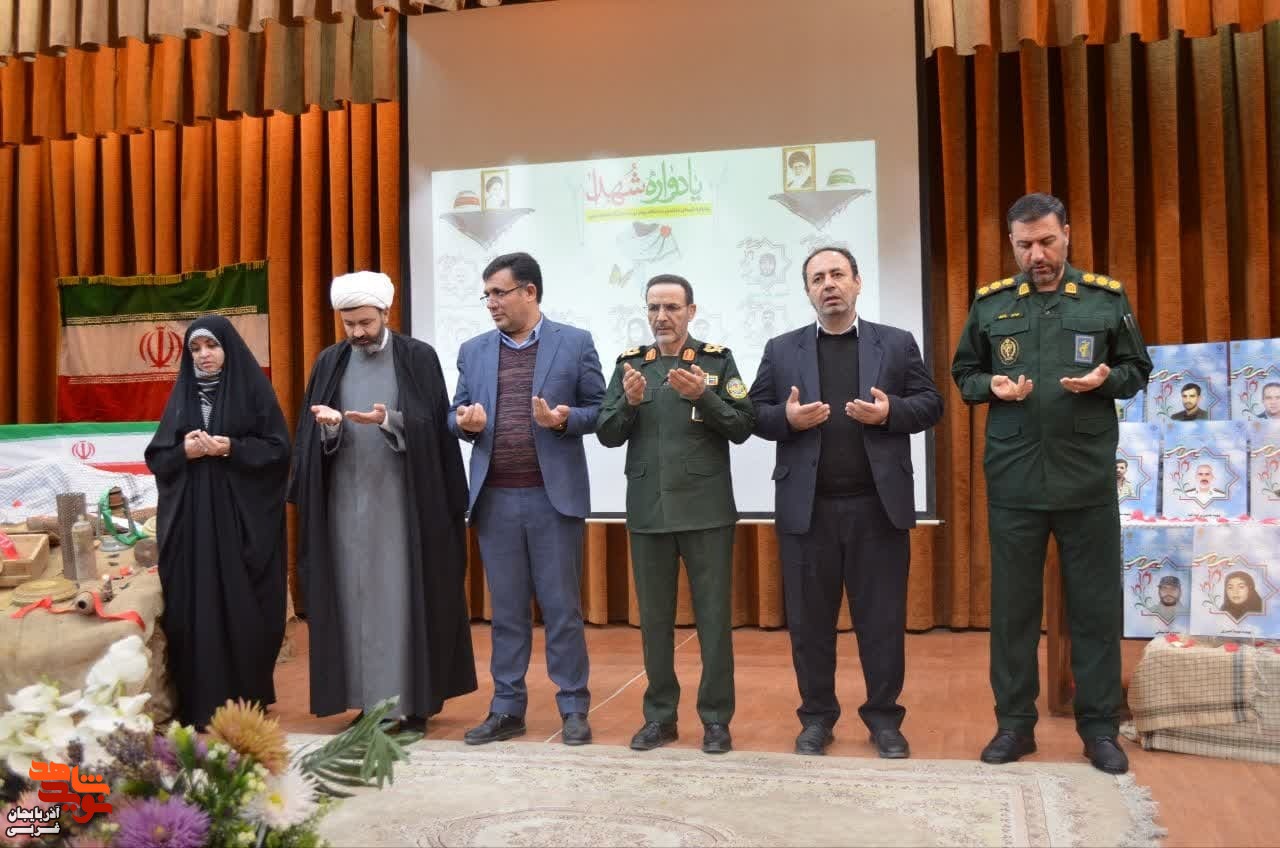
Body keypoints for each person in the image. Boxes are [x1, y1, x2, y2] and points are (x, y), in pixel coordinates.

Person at [951, 192, 1153, 775]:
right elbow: (965, 373)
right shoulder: (991, 304)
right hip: (1014, 480)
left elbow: (1137, 368)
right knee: (1013, 611)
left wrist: (1105, 378)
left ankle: (1099, 729)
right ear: (1011, 245)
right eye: (1024, 245)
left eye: (1045, 241)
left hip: (1085, 479)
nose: (1036, 255)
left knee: (1095, 609)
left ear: (1067, 234)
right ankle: (1015, 726)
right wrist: (992, 387)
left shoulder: (1104, 297)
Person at [748, 246, 942, 759]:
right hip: (807, 511)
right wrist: (786, 420)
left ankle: (884, 720)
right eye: (817, 278)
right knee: (810, 625)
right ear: (807, 291)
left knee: (882, 623)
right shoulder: (781, 349)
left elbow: (931, 404)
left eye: (837, 274)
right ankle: (816, 718)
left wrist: (891, 412)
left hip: (877, 509)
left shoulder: (895, 343)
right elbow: (753, 414)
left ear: (857, 282)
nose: (828, 284)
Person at [288, 271, 476, 729]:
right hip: (344, 506)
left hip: (404, 506)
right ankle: (368, 703)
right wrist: (329, 427)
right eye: (349, 323)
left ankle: (411, 704)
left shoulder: (417, 357)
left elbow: (436, 428)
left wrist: (389, 420)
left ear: (386, 313)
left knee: (401, 602)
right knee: (354, 604)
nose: (357, 332)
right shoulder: (329, 361)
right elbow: (311, 438)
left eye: (366, 322)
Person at [450, 252, 606, 746]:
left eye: (499, 293)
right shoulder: (473, 350)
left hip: (551, 500)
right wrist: (464, 423)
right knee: (507, 613)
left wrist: (564, 420)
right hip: (495, 500)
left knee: (562, 610)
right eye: (487, 295)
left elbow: (601, 409)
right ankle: (507, 708)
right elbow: (455, 413)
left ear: (529, 291)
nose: (491, 303)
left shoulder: (574, 342)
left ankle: (573, 706)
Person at [597, 274, 755, 755]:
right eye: (654, 308)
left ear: (691, 311)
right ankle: (659, 717)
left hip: (706, 511)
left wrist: (702, 396)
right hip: (649, 510)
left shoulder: (716, 361)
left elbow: (743, 425)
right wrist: (630, 402)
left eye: (671, 307)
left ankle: (716, 720)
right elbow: (607, 433)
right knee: (654, 622)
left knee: (714, 622)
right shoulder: (630, 365)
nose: (661, 317)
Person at [144, 316, 290, 730]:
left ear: (228, 349)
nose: (204, 355)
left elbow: (278, 450)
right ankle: (200, 702)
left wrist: (231, 448)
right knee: (193, 609)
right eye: (195, 349)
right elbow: (158, 458)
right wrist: (185, 453)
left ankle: (247, 697)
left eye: (212, 346)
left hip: (239, 525)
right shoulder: (182, 396)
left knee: (245, 608)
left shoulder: (253, 391)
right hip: (193, 528)